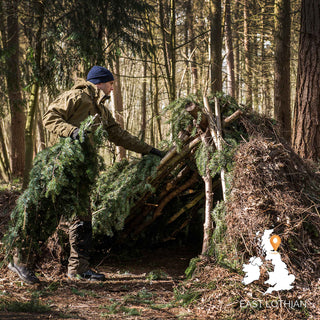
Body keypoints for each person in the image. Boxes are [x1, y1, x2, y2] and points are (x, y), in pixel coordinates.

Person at [8, 66, 165, 284]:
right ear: (100, 82)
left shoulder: (100, 109)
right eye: (110, 84)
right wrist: (72, 132)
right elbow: (50, 117)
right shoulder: (76, 96)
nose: (112, 88)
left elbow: (118, 134)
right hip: (59, 169)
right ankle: (20, 262)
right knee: (44, 215)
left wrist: (150, 150)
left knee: (82, 219)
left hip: (82, 171)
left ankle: (78, 270)